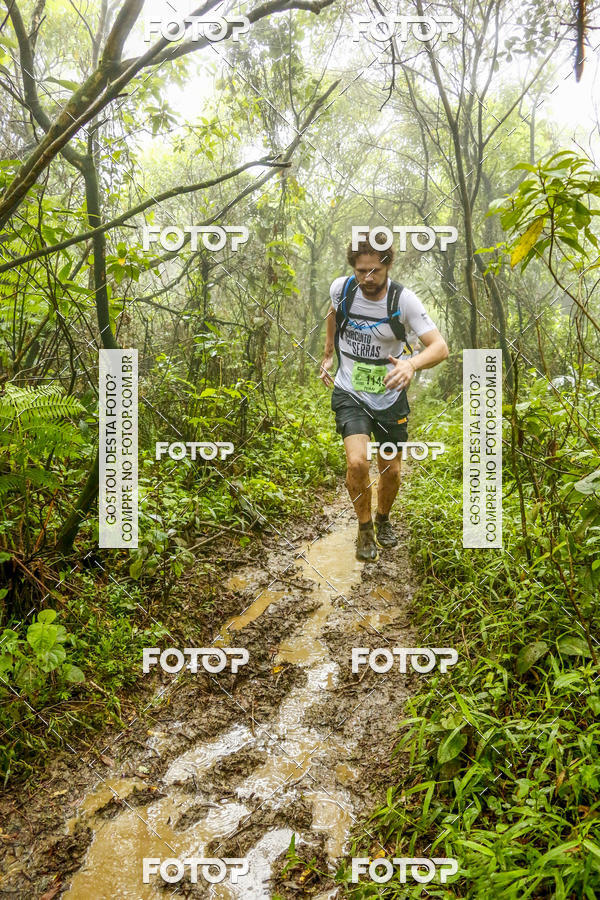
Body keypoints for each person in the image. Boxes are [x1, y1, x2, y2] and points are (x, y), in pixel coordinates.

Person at [319, 235, 448, 561]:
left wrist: (411, 364)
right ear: (353, 268)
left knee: (391, 470)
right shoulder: (342, 289)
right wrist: (328, 354)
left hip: (390, 397)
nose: (368, 278)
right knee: (357, 462)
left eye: (375, 270)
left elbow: (440, 347)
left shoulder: (404, 301)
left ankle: (383, 519)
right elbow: (332, 314)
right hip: (351, 391)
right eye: (361, 270)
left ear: (388, 265)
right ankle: (364, 529)